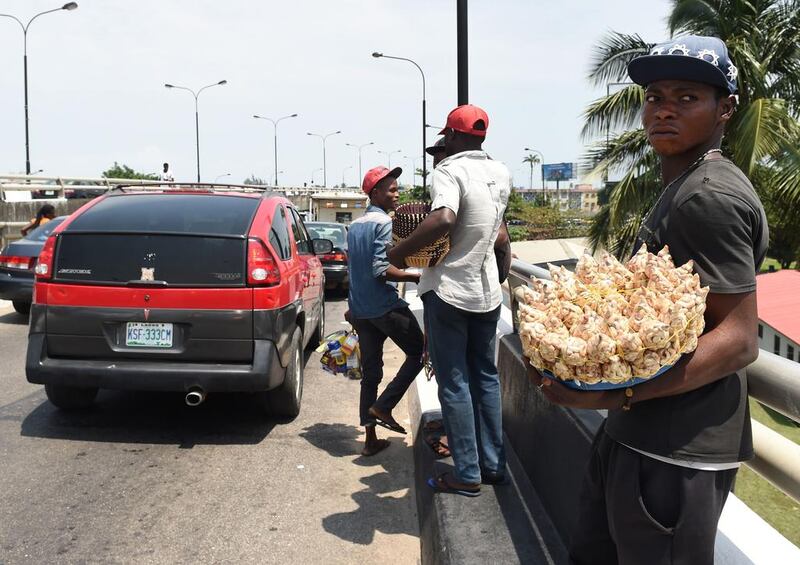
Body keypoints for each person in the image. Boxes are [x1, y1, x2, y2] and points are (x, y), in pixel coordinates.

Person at [527, 36, 768, 565]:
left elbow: (737, 339)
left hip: (677, 449)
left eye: (687, 97)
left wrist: (615, 398)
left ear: (725, 108)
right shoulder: (683, 184)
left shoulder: (708, 197)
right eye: (656, 96)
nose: (664, 109)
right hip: (643, 436)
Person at [388, 104, 512, 497]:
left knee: (454, 383)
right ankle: (493, 465)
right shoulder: (501, 172)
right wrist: (497, 276)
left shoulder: (449, 170)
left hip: (449, 292)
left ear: (454, 138)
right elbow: (502, 240)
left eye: (446, 137)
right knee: (486, 378)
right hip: (487, 292)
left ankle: (467, 473)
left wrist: (399, 252)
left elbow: (442, 219)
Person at [346, 166, 425, 457]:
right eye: (392, 190)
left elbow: (354, 270)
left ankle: (370, 439)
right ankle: (384, 405)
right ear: (375, 193)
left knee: (371, 374)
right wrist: (415, 276)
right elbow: (381, 270)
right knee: (421, 351)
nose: (397, 194)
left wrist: (351, 307)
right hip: (384, 307)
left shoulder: (354, 226)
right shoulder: (383, 224)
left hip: (362, 311)